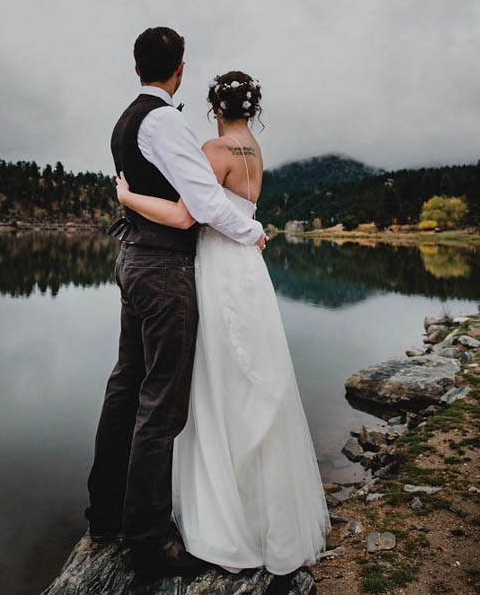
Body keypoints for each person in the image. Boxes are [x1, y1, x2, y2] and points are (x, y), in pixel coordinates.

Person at [115, 70, 331, 575]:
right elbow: (235, 209)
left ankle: (222, 521)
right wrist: (253, 229)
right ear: (250, 110)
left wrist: (127, 197)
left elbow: (184, 215)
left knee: (212, 386)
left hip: (214, 269)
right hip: (249, 275)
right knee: (251, 380)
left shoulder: (216, 150)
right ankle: (268, 516)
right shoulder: (254, 151)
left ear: (216, 107)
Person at [85, 28, 266, 578]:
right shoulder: (163, 121)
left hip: (136, 259)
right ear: (179, 70)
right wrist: (252, 229)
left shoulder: (127, 119)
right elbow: (203, 203)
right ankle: (148, 538)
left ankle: (106, 511)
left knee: (126, 386)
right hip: (162, 269)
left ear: (137, 65)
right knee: (160, 403)